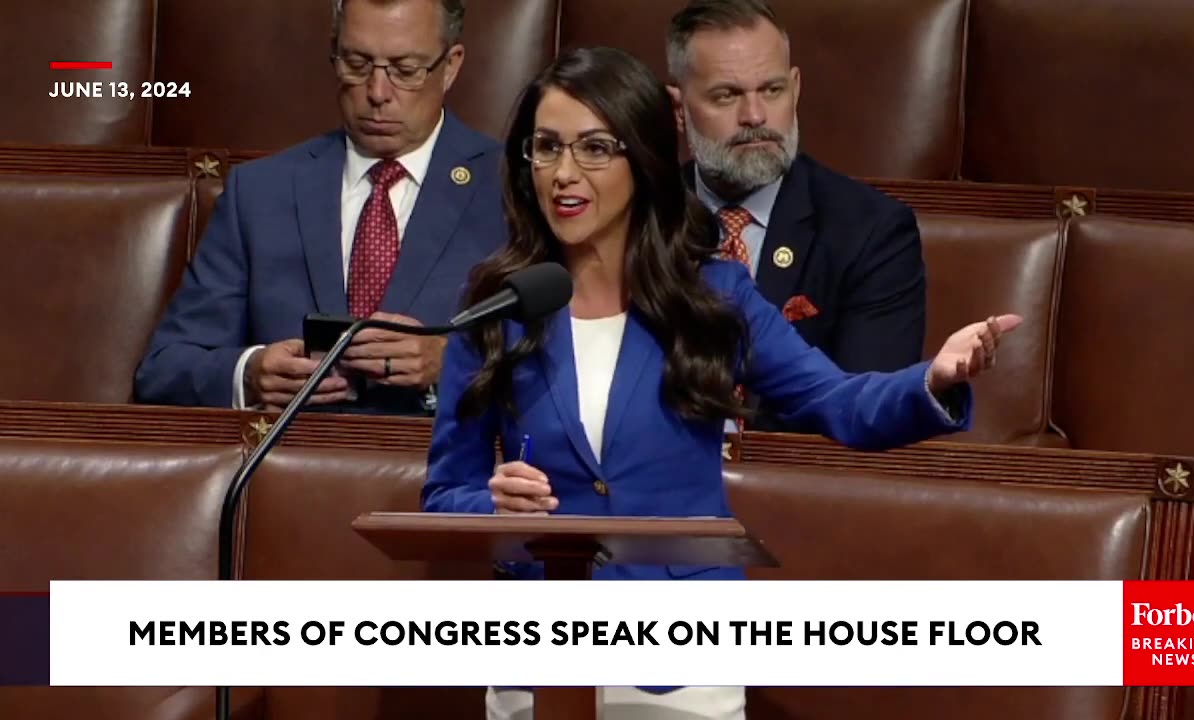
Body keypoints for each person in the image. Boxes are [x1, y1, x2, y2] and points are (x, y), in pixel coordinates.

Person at [422, 46, 1020, 719]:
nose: (565, 173)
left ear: (643, 160)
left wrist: (931, 381)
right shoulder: (498, 307)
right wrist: (493, 513)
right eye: (546, 148)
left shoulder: (713, 296)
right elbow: (446, 494)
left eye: (594, 149)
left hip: (682, 662)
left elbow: (837, 400)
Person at [134, 0, 504, 415]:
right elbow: (164, 369)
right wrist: (249, 373)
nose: (377, 93)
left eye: (405, 71)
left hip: (442, 469)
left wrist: (453, 362)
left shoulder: (509, 190)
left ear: (451, 66)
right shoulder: (260, 193)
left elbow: (568, 364)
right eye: (357, 64)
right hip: (291, 465)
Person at [666, 0, 928, 431]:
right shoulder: (641, 220)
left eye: (772, 90)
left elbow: (865, 409)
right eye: (727, 95)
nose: (755, 116)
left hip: (799, 487)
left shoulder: (871, 231)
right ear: (679, 109)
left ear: (796, 88)